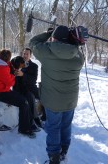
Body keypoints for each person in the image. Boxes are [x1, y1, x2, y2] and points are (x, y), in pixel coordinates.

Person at [29, 25, 85, 164]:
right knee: (66, 126)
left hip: (52, 101)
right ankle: (64, 150)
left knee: (53, 127)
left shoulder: (46, 53)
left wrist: (46, 34)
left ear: (54, 38)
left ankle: (54, 156)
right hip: (70, 100)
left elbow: (33, 42)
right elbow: (74, 47)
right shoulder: (78, 57)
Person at [0, 49, 38, 138]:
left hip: (3, 90)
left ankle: (30, 123)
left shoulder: (1, 63)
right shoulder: (1, 67)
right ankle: (24, 129)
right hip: (0, 92)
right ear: (7, 58)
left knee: (26, 99)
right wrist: (14, 75)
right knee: (23, 102)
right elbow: (11, 83)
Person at [21, 47, 45, 126]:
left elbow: (33, 80)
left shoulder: (34, 66)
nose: (25, 55)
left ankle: (44, 117)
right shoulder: (18, 63)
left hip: (31, 87)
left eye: (27, 54)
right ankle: (34, 119)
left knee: (44, 96)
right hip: (20, 87)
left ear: (30, 55)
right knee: (30, 99)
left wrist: (23, 75)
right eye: (24, 53)